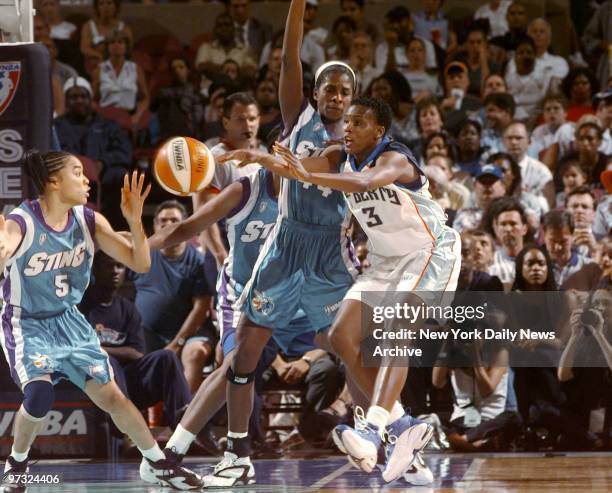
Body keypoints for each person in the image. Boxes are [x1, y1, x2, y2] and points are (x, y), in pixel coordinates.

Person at [232, 97, 460, 483]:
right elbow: (299, 169)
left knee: (397, 332)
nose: (348, 128)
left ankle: (373, 429)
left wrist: (304, 174)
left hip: (429, 251)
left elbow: (363, 182)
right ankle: (403, 425)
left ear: (379, 132)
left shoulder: (396, 159)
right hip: (386, 260)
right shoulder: (340, 156)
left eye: (358, 122)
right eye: (347, 122)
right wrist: (263, 158)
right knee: (341, 336)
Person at [193, 0, 360, 486]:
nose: (336, 95)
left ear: (352, 100)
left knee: (356, 344)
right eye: (330, 87)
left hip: (330, 250)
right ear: (317, 91)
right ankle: (230, 447)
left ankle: (380, 428)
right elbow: (289, 58)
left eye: (346, 91)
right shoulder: (298, 118)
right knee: (243, 355)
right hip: (288, 248)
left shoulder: (355, 139)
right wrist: (296, 7)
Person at [0, 152, 201, 490]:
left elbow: (139, 263)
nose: (86, 180)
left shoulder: (89, 220)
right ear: (52, 183)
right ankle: (16, 465)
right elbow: (7, 245)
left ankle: (158, 463)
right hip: (27, 322)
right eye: (77, 173)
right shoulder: (22, 221)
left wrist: (135, 220)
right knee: (39, 394)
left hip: (69, 321)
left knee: (113, 398)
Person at [80, 251, 193, 433]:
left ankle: (185, 431)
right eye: (108, 265)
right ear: (95, 270)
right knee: (108, 360)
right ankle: (128, 432)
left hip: (128, 384)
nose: (115, 271)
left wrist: (101, 349)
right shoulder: (80, 305)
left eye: (119, 266)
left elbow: (137, 353)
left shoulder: (128, 308)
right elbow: (79, 351)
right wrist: (106, 353)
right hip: (92, 385)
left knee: (166, 357)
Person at [129, 201, 213, 393]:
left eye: (174, 220)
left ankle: (184, 417)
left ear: (185, 225)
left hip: (191, 334)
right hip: (149, 333)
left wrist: (178, 342)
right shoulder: (143, 255)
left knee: (195, 354)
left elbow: (201, 308)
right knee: (130, 349)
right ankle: (145, 416)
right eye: (162, 221)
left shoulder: (199, 262)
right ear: (155, 227)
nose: (167, 225)